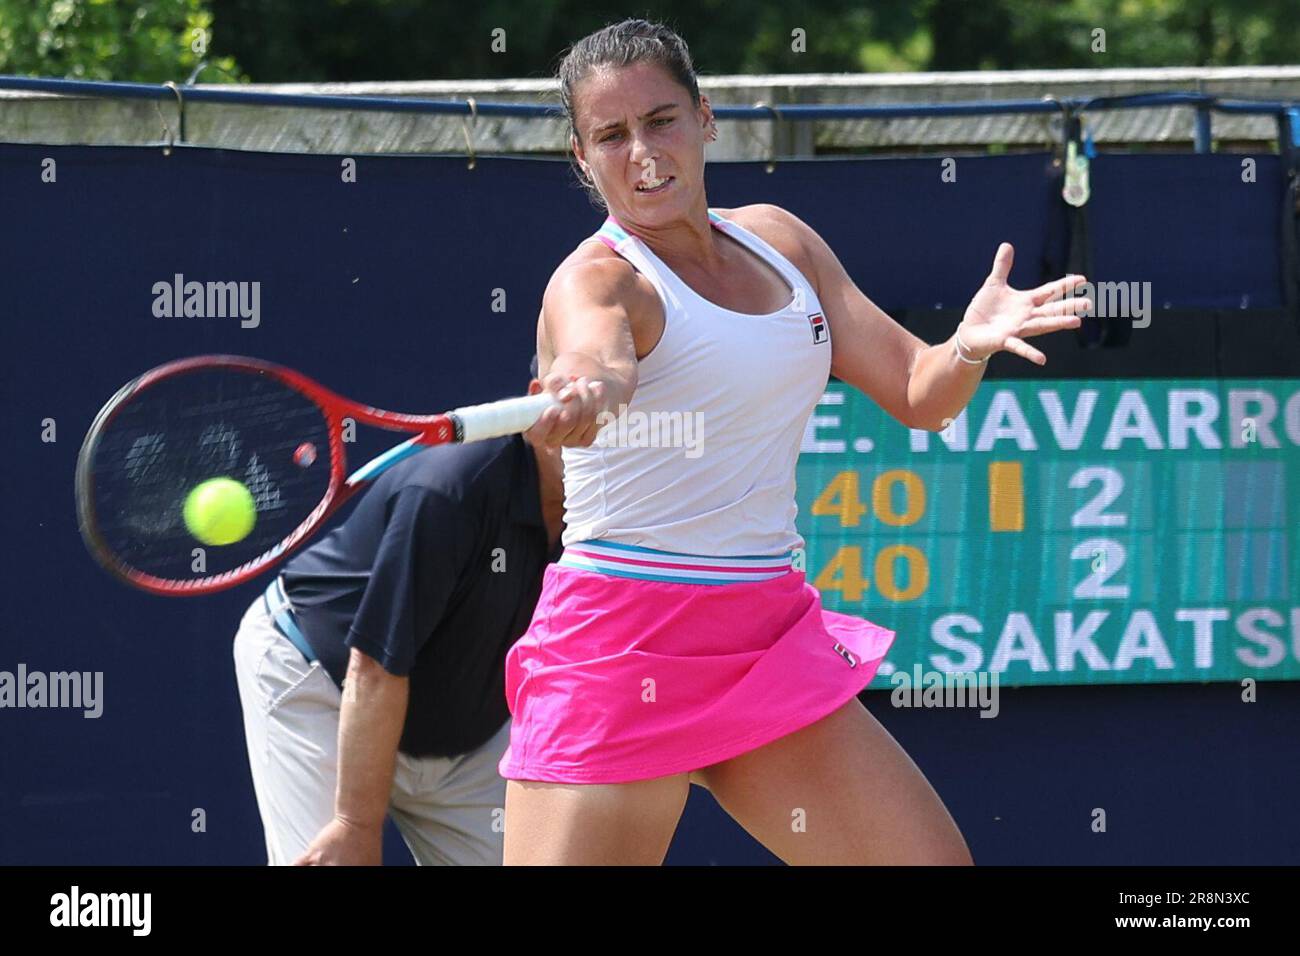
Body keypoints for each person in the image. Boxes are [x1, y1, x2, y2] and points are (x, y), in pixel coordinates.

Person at [501, 18, 1092, 865]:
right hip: (622, 641)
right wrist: (591, 384)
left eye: (661, 120)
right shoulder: (597, 278)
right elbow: (600, 356)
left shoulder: (783, 243)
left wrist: (966, 345)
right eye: (611, 135)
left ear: (706, 117)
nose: (642, 152)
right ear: (582, 157)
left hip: (763, 634)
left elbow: (921, 395)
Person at [232, 359, 565, 865]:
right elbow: (375, 665)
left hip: (462, 734)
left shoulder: (628, 513)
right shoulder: (449, 488)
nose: (609, 430)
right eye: (590, 405)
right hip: (322, 679)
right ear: (537, 399)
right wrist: (355, 823)